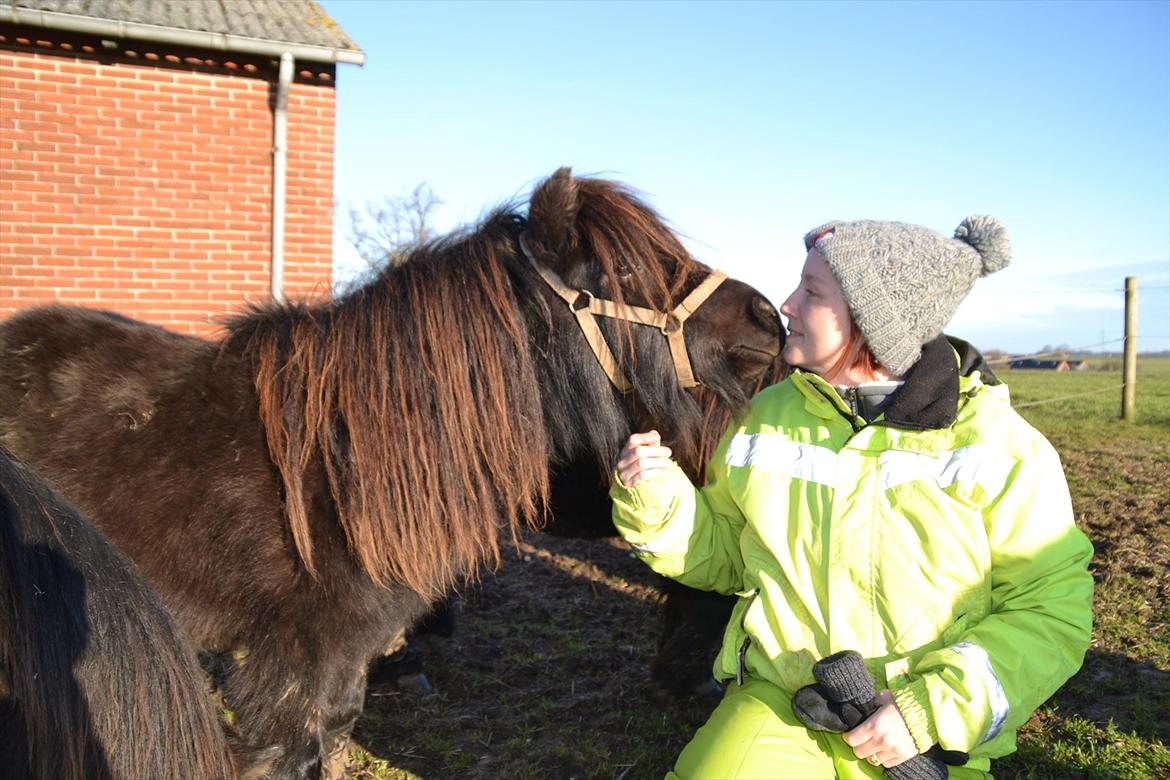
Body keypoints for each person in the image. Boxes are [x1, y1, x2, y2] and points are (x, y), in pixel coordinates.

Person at [611, 216, 1094, 779]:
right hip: (783, 701)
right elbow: (725, 557)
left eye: (811, 291)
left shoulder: (1000, 444)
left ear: (873, 321)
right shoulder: (766, 417)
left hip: (924, 739)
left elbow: (1050, 608)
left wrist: (928, 712)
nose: (786, 305)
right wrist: (658, 500)